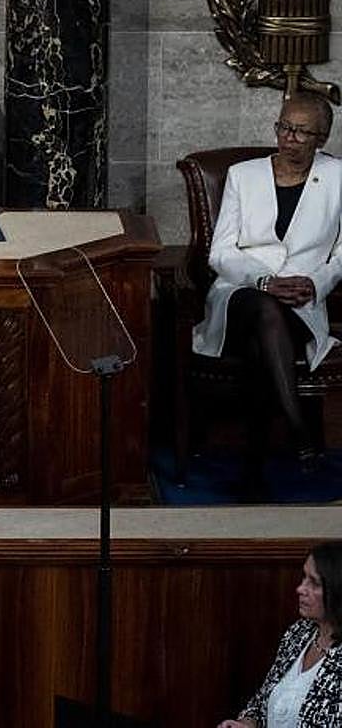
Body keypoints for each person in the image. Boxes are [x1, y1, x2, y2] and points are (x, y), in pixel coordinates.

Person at [192, 93, 342, 493]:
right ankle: (298, 428)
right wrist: (262, 281)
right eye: (283, 126)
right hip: (241, 291)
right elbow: (220, 252)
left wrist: (316, 284)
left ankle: (253, 470)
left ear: (321, 138)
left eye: (300, 131)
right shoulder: (244, 175)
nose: (287, 137)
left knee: (264, 343)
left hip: (300, 297)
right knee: (264, 310)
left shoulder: (338, 177)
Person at [217, 541, 341, 727]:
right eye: (303, 577)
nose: (300, 589)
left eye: (314, 583)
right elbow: (261, 703)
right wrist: (246, 724)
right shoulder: (299, 633)